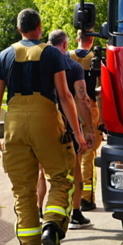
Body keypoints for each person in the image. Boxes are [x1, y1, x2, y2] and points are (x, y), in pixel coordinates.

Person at [0, 9, 88, 245]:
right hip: (46, 121)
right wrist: (77, 133)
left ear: (18, 28)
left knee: (23, 190)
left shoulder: (4, 55)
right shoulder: (52, 53)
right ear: (39, 27)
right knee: (60, 178)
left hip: (14, 124)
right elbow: (65, 96)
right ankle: (52, 226)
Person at [35, 30, 95, 228]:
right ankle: (75, 213)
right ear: (65, 45)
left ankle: (38, 210)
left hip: (42, 125)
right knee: (74, 170)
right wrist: (88, 131)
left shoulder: (38, 64)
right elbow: (82, 99)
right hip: (66, 127)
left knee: (42, 171)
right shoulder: (73, 66)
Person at [70, 30, 104, 211]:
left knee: (73, 151)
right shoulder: (96, 59)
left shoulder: (66, 57)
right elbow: (102, 88)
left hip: (69, 108)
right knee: (89, 152)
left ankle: (72, 196)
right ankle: (86, 198)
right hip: (89, 108)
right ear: (91, 40)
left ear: (77, 39)